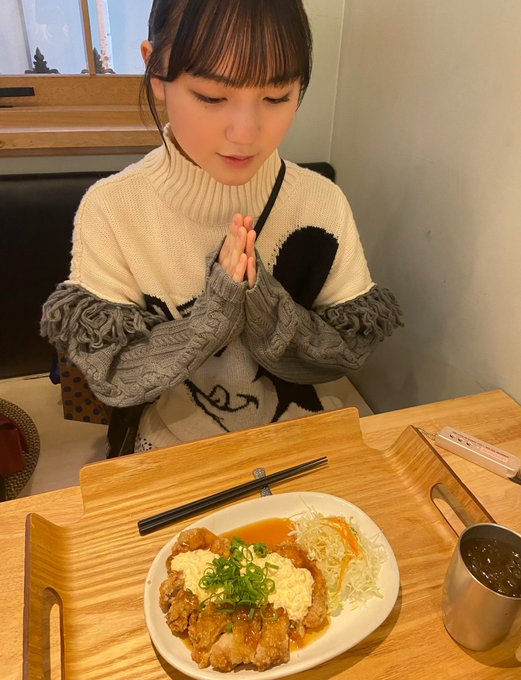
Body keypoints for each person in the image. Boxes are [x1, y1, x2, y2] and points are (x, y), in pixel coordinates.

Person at [41, 0, 402, 453]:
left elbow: (342, 356)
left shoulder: (321, 202)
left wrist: (264, 307)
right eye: (212, 97)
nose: (246, 133)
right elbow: (115, 377)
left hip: (301, 440)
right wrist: (215, 315)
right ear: (156, 72)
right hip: (172, 449)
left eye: (277, 97)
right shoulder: (114, 208)